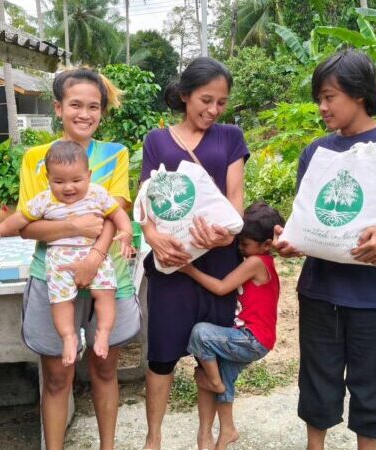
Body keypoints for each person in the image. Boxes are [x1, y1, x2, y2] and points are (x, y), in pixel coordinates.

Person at [274, 50, 376, 450]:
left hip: (375, 296)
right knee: (316, 378)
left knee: (370, 383)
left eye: (330, 96)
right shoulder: (316, 152)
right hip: (320, 290)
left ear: (359, 94)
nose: (322, 106)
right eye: (320, 97)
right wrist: (292, 240)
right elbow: (310, 215)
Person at [17, 68, 141, 450]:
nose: (84, 113)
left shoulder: (115, 154)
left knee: (105, 370)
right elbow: (26, 226)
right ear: (58, 108)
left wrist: (94, 255)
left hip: (108, 277)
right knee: (57, 375)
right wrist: (76, 225)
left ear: (102, 111)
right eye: (75, 105)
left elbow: (115, 214)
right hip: (52, 278)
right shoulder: (36, 159)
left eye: (93, 106)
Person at [140, 57, 249, 450]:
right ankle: (154, 439)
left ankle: (206, 434)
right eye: (206, 99)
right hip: (172, 265)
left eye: (221, 102)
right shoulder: (157, 141)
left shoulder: (231, 137)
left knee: (210, 352)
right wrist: (154, 239)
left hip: (219, 263)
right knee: (162, 356)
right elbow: (146, 206)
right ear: (184, 95)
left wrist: (226, 234)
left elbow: (236, 200)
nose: (213, 110)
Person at [0, 140, 135, 366]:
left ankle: (103, 332)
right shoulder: (44, 200)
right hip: (60, 261)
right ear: (48, 178)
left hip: (96, 258)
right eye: (59, 181)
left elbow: (117, 214)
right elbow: (19, 219)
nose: (68, 187)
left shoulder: (98, 194)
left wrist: (126, 232)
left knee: (105, 294)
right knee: (61, 302)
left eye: (76, 180)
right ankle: (68, 337)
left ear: (89, 175)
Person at [180, 202, 284, 450]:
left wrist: (189, 270)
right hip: (257, 339)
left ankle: (214, 383)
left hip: (252, 338)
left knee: (200, 333)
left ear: (266, 245)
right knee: (224, 373)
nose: (240, 248)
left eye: (245, 245)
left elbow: (221, 287)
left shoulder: (256, 262)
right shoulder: (260, 258)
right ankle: (227, 430)